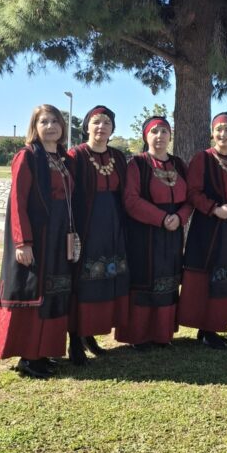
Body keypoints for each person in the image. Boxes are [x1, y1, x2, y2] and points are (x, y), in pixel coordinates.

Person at [0, 105, 76, 378]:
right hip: (38, 235)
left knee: (54, 293)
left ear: (62, 126)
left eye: (55, 121)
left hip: (59, 235)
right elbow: (18, 201)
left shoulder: (64, 159)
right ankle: (29, 357)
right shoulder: (27, 156)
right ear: (35, 126)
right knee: (34, 292)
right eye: (44, 121)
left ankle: (44, 352)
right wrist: (23, 243)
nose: (50, 126)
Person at [116, 116, 192, 349]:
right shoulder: (137, 164)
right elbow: (130, 199)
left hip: (173, 233)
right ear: (145, 136)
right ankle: (138, 335)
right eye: (154, 132)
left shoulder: (179, 164)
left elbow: (190, 198)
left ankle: (162, 334)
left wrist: (180, 217)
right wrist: (161, 218)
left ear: (170, 136)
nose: (159, 136)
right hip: (144, 233)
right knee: (144, 280)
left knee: (168, 280)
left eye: (164, 131)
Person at [178, 113, 227, 348]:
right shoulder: (203, 158)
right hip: (210, 225)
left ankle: (216, 325)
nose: (223, 134)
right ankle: (207, 329)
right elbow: (192, 192)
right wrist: (214, 209)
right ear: (212, 132)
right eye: (218, 129)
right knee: (210, 273)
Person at [68, 105, 129, 364]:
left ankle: (90, 333)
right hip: (86, 226)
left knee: (104, 281)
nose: (101, 127)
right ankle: (75, 339)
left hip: (113, 225)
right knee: (82, 282)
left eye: (106, 123)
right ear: (87, 127)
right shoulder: (76, 155)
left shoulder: (118, 157)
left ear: (112, 129)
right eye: (96, 122)